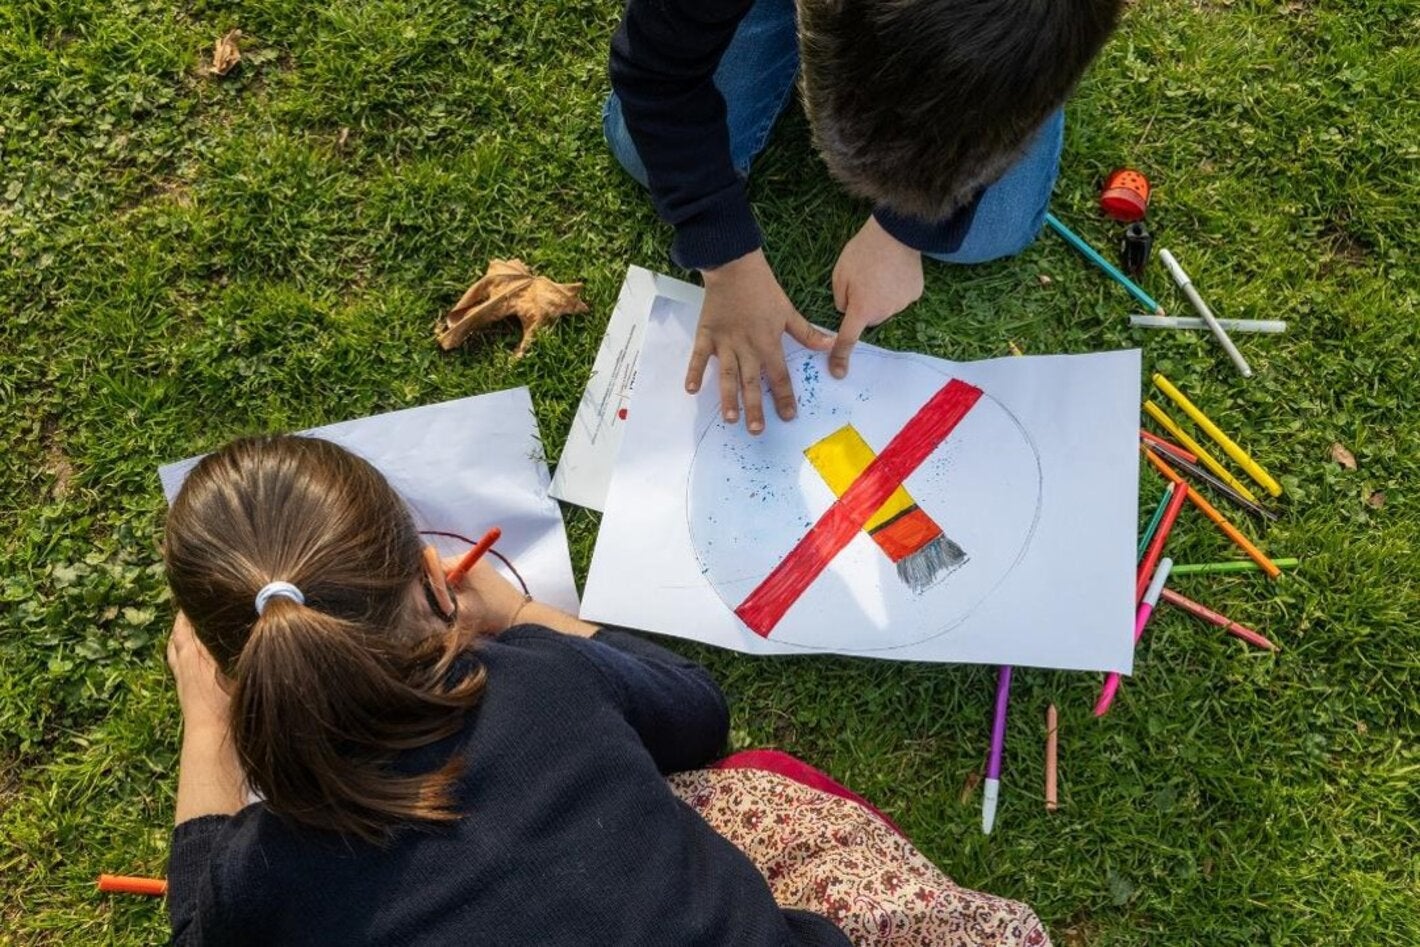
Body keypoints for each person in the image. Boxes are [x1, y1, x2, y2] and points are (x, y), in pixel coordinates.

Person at [163, 435, 1050, 944]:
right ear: (436, 584)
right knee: (754, 779)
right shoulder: (536, 680)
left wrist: (205, 731)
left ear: (248, 674)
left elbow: (200, 929)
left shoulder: (263, 863)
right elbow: (696, 714)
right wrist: (521, 613)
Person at [606, 0, 1122, 434]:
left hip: (1011, 30)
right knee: (641, 150)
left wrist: (904, 231)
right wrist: (725, 257)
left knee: (988, 230)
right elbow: (655, 73)